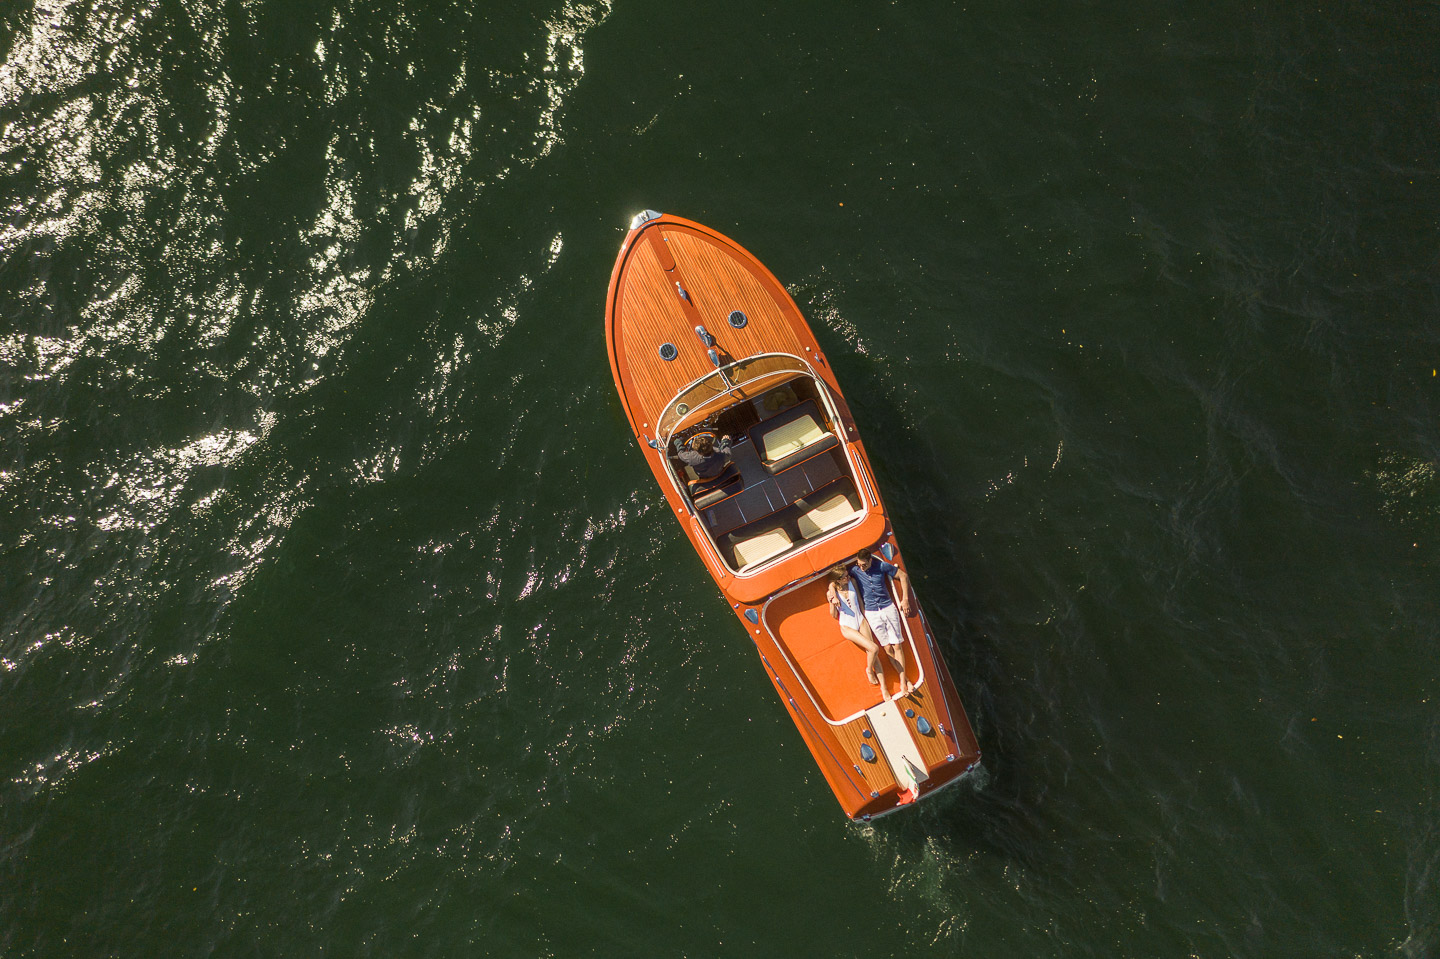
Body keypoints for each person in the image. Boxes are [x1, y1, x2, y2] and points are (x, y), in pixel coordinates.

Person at [849, 546, 917, 695]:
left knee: (897, 645)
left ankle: (903, 684)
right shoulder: (855, 571)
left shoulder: (881, 566)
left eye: (864, 565)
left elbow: (904, 576)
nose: (861, 567)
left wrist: (905, 599)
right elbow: (836, 577)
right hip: (872, 612)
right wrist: (831, 592)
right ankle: (905, 681)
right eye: (858, 564)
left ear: (870, 560)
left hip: (887, 607)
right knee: (887, 648)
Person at [826, 566, 881, 685]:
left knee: (873, 653)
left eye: (847, 575)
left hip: (860, 619)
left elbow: (860, 600)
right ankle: (869, 670)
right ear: (838, 580)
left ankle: (884, 688)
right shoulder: (832, 592)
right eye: (845, 577)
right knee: (874, 648)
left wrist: (865, 616)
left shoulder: (852, 582)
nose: (848, 577)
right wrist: (831, 602)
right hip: (847, 626)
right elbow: (834, 615)